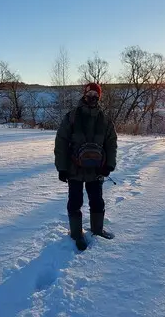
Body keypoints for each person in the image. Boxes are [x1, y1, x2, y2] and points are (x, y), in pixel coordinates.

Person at [54, 82, 117, 251]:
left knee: (97, 201)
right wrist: (62, 168)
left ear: (99, 98)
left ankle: (97, 230)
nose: (92, 98)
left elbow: (111, 143)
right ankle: (76, 234)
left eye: (96, 95)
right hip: (74, 169)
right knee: (75, 201)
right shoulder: (72, 116)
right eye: (90, 94)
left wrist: (109, 165)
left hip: (97, 170)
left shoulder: (104, 119)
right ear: (84, 95)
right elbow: (61, 142)